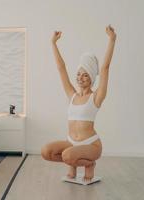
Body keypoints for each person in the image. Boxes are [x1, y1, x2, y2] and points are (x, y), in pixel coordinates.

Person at [41, 25, 116, 182]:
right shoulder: (72, 95)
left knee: (67, 155)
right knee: (46, 151)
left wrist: (112, 39)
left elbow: (105, 68)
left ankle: (89, 164)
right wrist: (53, 43)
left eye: (85, 75)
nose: (80, 78)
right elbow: (61, 69)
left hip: (91, 145)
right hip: (71, 142)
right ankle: (73, 160)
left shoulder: (96, 97)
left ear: (92, 79)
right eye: (79, 74)